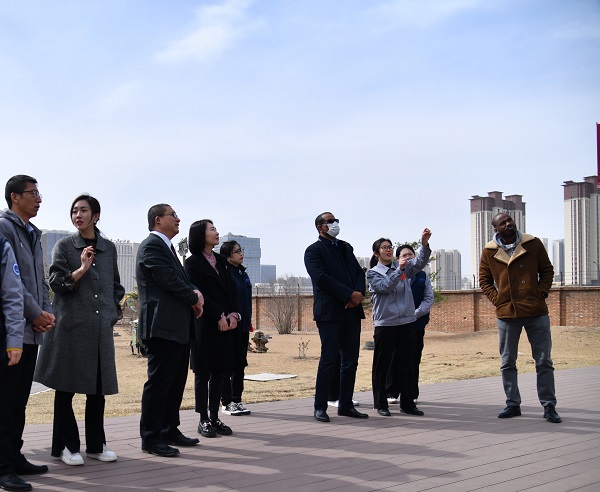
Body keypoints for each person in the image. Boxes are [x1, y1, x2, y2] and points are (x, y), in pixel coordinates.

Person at [33, 195, 125, 466]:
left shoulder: (109, 248)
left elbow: (116, 286)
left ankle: (96, 445)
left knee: (97, 390)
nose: (78, 215)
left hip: (99, 329)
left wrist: (110, 313)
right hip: (70, 328)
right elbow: (56, 283)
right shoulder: (64, 246)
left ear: (96, 215)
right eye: (74, 211)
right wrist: (81, 269)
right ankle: (67, 446)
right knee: (66, 389)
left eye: (84, 210)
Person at [136, 204, 204, 457]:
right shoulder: (152, 246)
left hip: (177, 327)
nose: (178, 219)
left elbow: (181, 281)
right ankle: (151, 438)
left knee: (175, 383)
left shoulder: (168, 248)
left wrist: (195, 293)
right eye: (173, 215)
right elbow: (168, 280)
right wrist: (193, 297)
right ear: (158, 219)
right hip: (161, 326)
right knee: (159, 383)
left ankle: (169, 429)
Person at [479, 213, 560, 423]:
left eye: (509, 220)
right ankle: (512, 404)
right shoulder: (489, 251)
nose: (508, 223)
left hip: (536, 311)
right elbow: (484, 281)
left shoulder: (532, 243)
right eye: (503, 223)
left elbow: (547, 271)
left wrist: (541, 293)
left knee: (544, 361)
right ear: (496, 229)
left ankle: (549, 405)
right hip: (507, 313)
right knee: (507, 362)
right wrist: (498, 300)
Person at [0, 175, 55, 480]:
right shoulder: (4, 228)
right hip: (11, 330)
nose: (39, 198)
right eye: (33, 193)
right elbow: (11, 283)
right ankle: (3, 467)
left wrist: (46, 312)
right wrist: (35, 313)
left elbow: (40, 280)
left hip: (31, 331)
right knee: (6, 402)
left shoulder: (33, 233)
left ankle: (14, 455)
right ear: (14, 197)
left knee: (19, 401)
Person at [304, 212, 368, 422]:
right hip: (330, 313)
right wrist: (348, 294)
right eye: (330, 222)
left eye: (336, 221)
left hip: (352, 311)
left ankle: (346, 404)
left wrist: (358, 295)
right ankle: (320, 407)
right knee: (329, 359)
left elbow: (358, 273)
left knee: (350, 361)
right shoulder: (313, 251)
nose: (335, 224)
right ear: (320, 227)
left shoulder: (345, 247)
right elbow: (321, 278)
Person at [367, 230, 431, 417]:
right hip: (386, 325)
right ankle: (381, 404)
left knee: (407, 364)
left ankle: (408, 403)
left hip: (407, 322)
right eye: (384, 248)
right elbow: (385, 287)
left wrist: (424, 245)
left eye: (390, 247)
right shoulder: (373, 273)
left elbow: (419, 262)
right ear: (376, 253)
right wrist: (399, 271)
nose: (388, 250)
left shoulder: (402, 267)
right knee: (382, 366)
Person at [184, 220, 239, 437]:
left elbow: (232, 290)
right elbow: (200, 293)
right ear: (200, 235)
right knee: (203, 372)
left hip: (225, 325)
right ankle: (203, 419)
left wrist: (233, 314)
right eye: (212, 229)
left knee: (220, 372)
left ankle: (215, 417)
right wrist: (218, 315)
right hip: (204, 324)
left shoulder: (222, 261)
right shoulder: (192, 263)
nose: (217, 232)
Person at [0, 237, 31, 492]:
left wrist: (14, 340)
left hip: (2, 342)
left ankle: (4, 468)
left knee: (4, 409)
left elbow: (12, 294)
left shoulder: (1, 245)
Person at [386, 244, 434, 404]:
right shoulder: (394, 275)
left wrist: (416, 313)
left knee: (413, 359)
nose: (408, 258)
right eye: (404, 255)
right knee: (394, 358)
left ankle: (411, 393)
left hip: (416, 324)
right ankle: (391, 391)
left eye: (410, 254)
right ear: (398, 259)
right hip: (397, 323)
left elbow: (428, 298)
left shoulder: (422, 276)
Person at [219, 241, 252, 416]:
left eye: (241, 250)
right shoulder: (224, 273)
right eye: (237, 251)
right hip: (230, 326)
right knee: (227, 365)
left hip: (243, 326)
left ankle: (237, 399)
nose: (241, 254)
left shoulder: (242, 274)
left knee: (240, 364)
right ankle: (226, 402)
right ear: (228, 256)